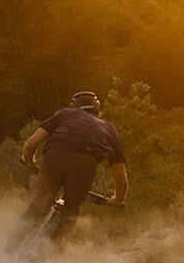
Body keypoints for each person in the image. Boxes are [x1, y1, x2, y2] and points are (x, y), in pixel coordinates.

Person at [16, 90, 128, 243]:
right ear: (97, 110)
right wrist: (117, 200)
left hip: (54, 156)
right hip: (84, 163)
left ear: (74, 106)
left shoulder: (65, 114)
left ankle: (9, 249)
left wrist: (29, 162)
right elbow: (120, 176)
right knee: (70, 210)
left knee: (39, 205)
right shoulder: (108, 128)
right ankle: (52, 254)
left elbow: (30, 145)